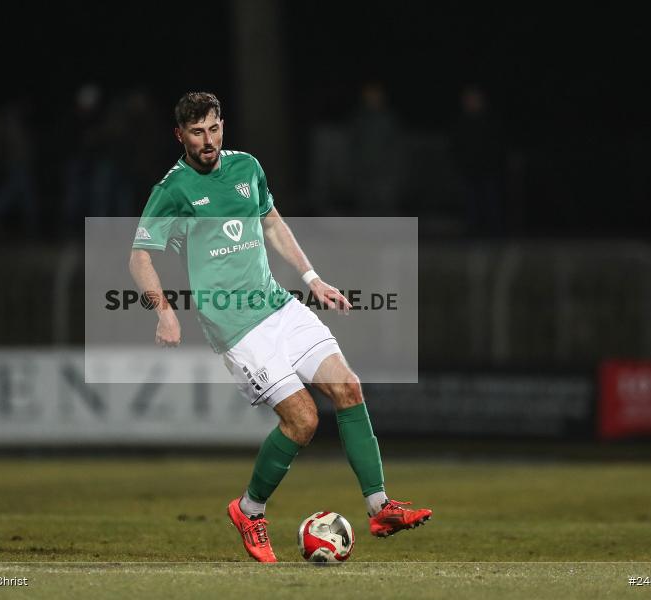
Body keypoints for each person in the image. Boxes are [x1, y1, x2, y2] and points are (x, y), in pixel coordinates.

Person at [128, 92, 431, 562]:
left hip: (278, 306)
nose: (207, 141)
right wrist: (164, 310)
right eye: (196, 133)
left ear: (222, 126)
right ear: (179, 136)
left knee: (348, 387)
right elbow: (139, 255)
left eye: (213, 129)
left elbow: (271, 222)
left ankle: (379, 507)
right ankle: (250, 510)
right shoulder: (174, 189)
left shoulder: (247, 167)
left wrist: (312, 278)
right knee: (303, 420)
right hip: (234, 325)